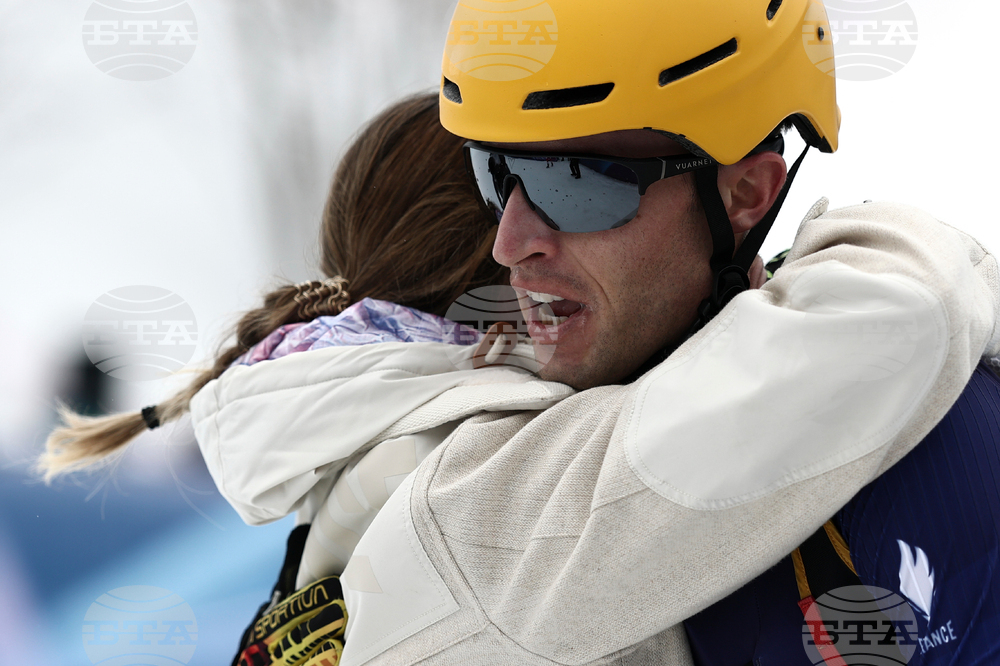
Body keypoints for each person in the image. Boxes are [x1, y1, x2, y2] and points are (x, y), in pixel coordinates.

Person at [285, 1, 998, 664]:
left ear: (747, 192)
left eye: (576, 181)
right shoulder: (466, 474)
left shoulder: (943, 457)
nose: (510, 242)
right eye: (495, 173)